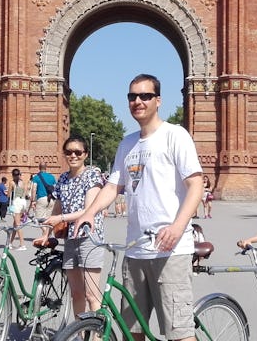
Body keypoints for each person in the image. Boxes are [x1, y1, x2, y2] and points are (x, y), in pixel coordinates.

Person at [73, 73, 204, 341]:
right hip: (135, 251)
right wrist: (89, 213)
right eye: (132, 96)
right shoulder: (127, 143)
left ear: (158, 100)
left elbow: (196, 185)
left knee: (179, 334)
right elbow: (112, 187)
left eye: (145, 96)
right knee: (132, 333)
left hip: (171, 250)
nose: (138, 101)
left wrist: (178, 228)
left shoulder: (175, 135)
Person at [34, 136, 106, 315]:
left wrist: (62, 218)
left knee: (92, 295)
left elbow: (89, 210)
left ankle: (96, 335)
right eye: (68, 152)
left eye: (78, 152)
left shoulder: (92, 176)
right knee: (76, 294)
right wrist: (47, 233)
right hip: (71, 239)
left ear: (85, 154)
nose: (73, 155)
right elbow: (57, 209)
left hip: (89, 238)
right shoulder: (63, 178)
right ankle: (80, 333)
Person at [8, 169, 30, 250]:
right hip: (23, 202)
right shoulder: (23, 182)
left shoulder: (12, 183)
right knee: (15, 224)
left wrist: (7, 192)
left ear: (13, 175)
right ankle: (10, 243)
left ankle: (22, 244)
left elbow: (8, 194)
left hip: (16, 203)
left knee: (18, 225)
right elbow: (26, 193)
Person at [31, 163, 57, 232]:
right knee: (48, 220)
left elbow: (34, 189)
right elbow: (55, 188)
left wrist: (33, 200)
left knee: (38, 219)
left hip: (41, 199)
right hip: (51, 199)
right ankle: (47, 235)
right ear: (46, 167)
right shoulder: (52, 177)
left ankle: (46, 233)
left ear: (39, 167)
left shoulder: (36, 177)